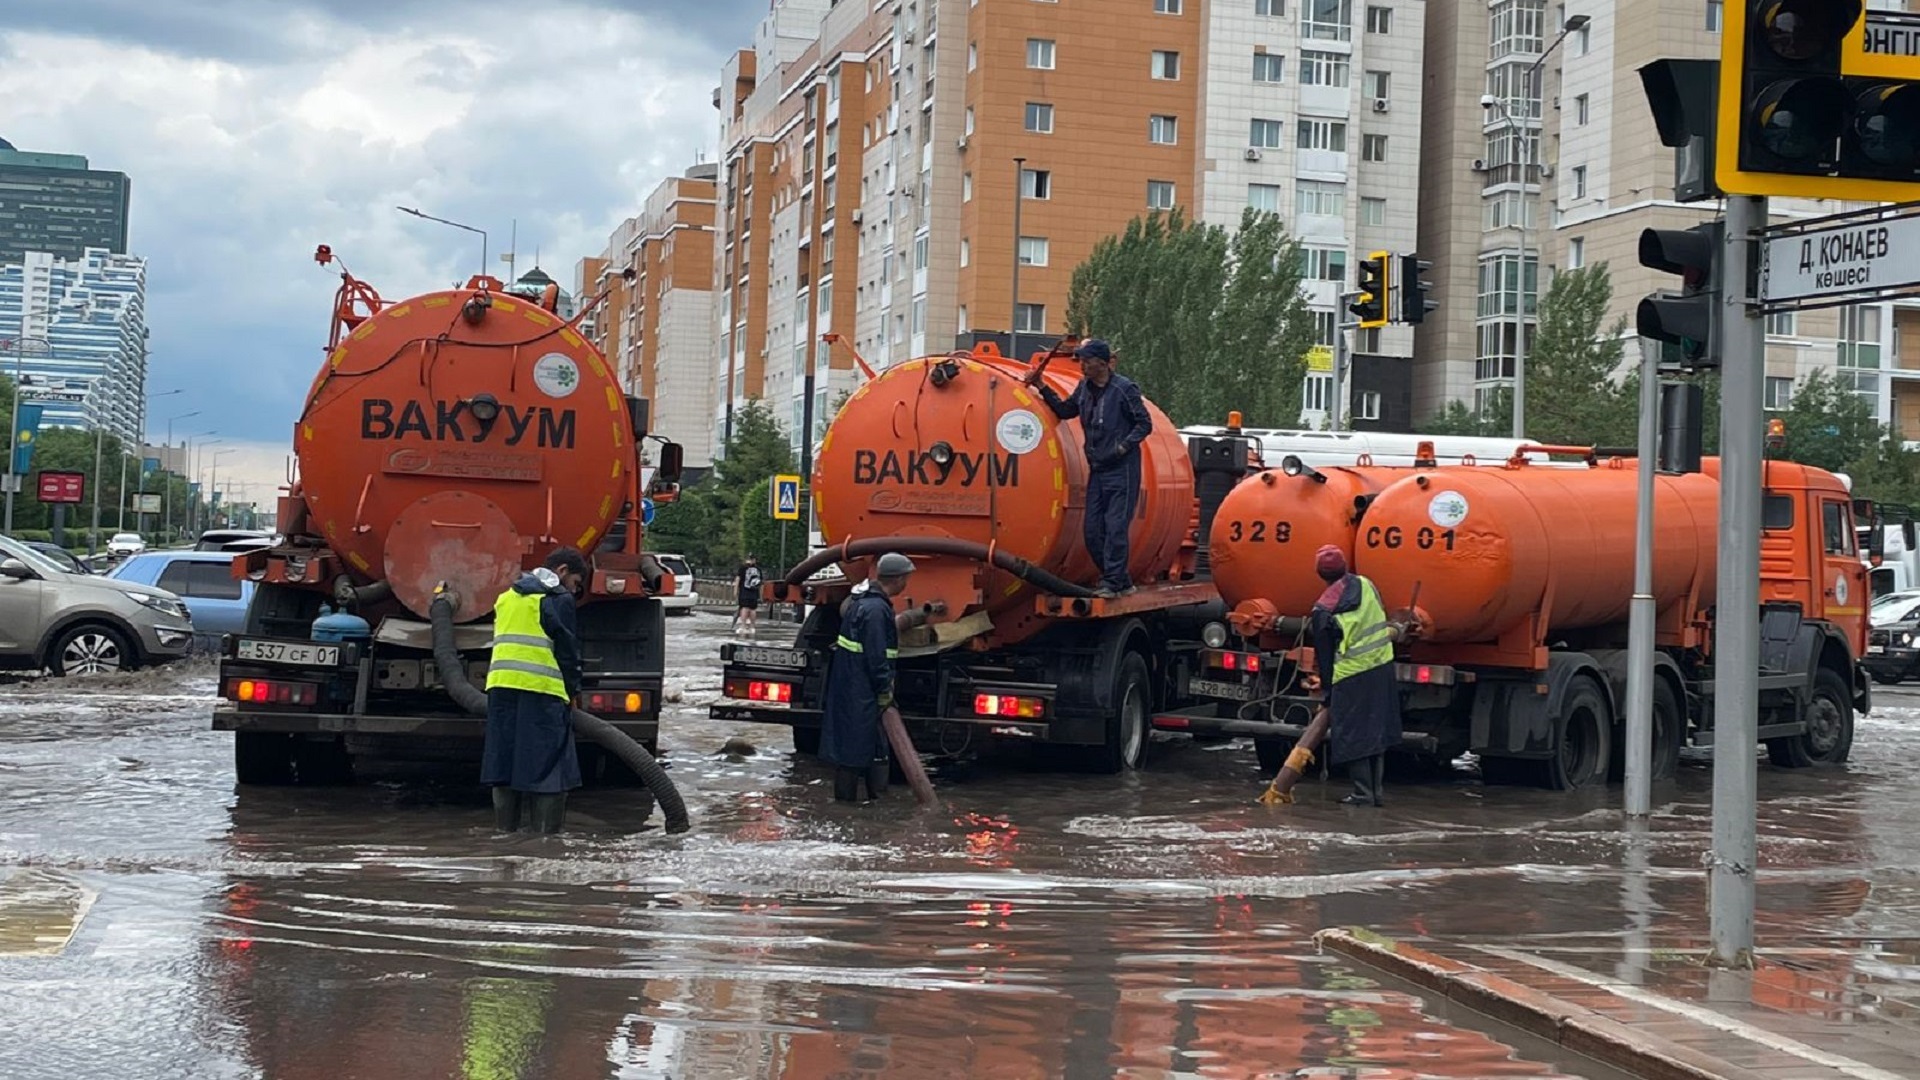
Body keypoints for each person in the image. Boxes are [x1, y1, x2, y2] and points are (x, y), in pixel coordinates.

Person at [1024, 338, 1152, 598]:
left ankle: (1113, 582)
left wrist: (1123, 448)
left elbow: (1144, 424)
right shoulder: (1084, 388)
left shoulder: (1124, 389)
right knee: (1092, 531)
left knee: (1115, 527)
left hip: (1122, 469)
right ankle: (1120, 580)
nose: (1082, 365)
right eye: (1081, 360)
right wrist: (1041, 387)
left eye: (1087, 360)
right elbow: (1064, 410)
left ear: (1102, 363)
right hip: (1098, 468)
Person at [481, 547, 589, 833]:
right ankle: (546, 844)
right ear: (562, 571)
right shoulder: (557, 600)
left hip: (501, 690)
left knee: (503, 765)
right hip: (542, 692)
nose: (575, 591)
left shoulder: (506, 597)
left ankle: (505, 838)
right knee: (549, 768)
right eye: (576, 583)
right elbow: (567, 653)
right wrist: (573, 692)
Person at [1308, 544, 1405, 807]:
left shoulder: (1323, 610)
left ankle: (1362, 793)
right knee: (1376, 730)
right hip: (1382, 666)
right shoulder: (1366, 584)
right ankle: (1377, 792)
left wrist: (1327, 691)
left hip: (1351, 675)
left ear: (1320, 575)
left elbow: (1325, 657)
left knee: (1353, 735)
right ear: (1345, 566)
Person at [820, 552, 915, 802]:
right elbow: (876, 656)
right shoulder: (875, 610)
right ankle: (850, 806)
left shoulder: (863, 602)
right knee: (854, 751)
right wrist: (885, 688)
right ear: (898, 579)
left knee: (867, 746)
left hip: (853, 685)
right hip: (861, 689)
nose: (907, 583)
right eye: (906, 578)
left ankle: (862, 805)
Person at [733, 555, 763, 635]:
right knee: (753, 609)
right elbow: (760, 583)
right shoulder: (758, 570)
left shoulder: (743, 568)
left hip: (744, 592)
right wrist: (761, 595)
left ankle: (743, 626)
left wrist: (735, 591)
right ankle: (752, 627)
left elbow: (738, 579)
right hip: (754, 593)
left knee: (744, 608)